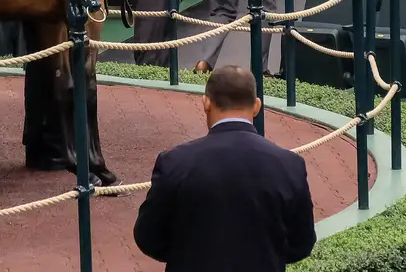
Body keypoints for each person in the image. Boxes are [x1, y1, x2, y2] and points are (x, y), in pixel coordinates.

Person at [133, 65, 316, 270]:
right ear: (257, 106)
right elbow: (301, 243)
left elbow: (148, 236)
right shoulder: (289, 164)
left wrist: (184, 254)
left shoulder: (175, 161)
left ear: (206, 103)